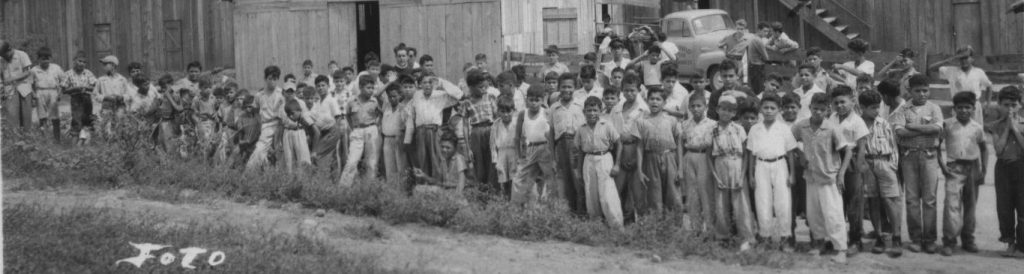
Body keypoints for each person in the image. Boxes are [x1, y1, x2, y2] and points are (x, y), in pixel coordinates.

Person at [794, 93, 850, 263]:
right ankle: (819, 244)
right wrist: (799, 153)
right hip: (811, 176)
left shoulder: (832, 127)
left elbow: (847, 150)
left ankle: (841, 248)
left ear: (827, 110)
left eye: (822, 109)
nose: (818, 112)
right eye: (815, 108)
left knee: (833, 214)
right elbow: (789, 141)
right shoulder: (801, 126)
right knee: (813, 214)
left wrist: (841, 174)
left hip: (829, 177)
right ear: (809, 107)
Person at [891, 75, 944, 254]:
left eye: (925, 90)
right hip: (909, 156)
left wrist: (912, 127)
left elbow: (936, 129)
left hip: (929, 155)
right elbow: (899, 132)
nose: (922, 94)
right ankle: (915, 238)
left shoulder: (934, 107)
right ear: (910, 91)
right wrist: (921, 130)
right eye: (918, 91)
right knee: (912, 199)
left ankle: (929, 239)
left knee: (929, 199)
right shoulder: (903, 108)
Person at [936, 91, 986, 256]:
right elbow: (937, 144)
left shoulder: (977, 127)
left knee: (970, 206)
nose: (964, 110)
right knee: (951, 205)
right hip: (954, 168)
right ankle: (949, 241)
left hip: (972, 167)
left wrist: (983, 169)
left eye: (967, 107)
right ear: (954, 108)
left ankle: (968, 239)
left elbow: (984, 148)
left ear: (973, 108)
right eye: (960, 107)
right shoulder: (947, 124)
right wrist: (942, 165)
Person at [746, 94, 798, 252]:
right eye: (766, 108)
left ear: (779, 110)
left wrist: (792, 174)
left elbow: (790, 152)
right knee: (762, 202)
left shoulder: (783, 128)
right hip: (761, 166)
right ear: (760, 109)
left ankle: (785, 238)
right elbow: (751, 154)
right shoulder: (755, 128)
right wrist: (750, 175)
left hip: (780, 165)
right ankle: (765, 237)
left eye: (772, 108)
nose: (768, 111)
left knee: (783, 202)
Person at [857, 90, 904, 258]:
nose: (876, 111)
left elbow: (893, 146)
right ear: (862, 107)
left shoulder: (883, 123)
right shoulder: (858, 123)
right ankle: (879, 236)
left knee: (891, 200)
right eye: (872, 108)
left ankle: (896, 237)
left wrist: (893, 166)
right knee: (873, 201)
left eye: (878, 107)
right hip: (867, 163)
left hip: (884, 162)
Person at [825, 86, 871, 255]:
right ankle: (839, 238)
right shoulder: (832, 117)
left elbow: (862, 146)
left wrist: (858, 169)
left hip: (852, 161)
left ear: (852, 101)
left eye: (843, 102)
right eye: (836, 103)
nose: (840, 106)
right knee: (838, 202)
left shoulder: (857, 121)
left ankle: (856, 239)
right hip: (835, 159)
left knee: (854, 202)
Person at [709, 95, 756, 251]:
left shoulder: (739, 129)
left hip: (737, 164)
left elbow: (747, 153)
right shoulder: (713, 129)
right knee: (721, 203)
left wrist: (742, 175)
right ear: (717, 110)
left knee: (741, 203)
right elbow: (709, 156)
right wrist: (716, 177)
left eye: (730, 110)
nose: (726, 113)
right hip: (720, 164)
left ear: (734, 113)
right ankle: (722, 237)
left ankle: (746, 238)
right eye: (723, 109)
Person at [984, 86, 1024, 258]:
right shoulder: (996, 126)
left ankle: (1022, 246)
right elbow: (999, 150)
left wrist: (1016, 128)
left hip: (1022, 168)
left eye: (1013, 105)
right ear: (998, 104)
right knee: (1005, 207)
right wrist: (1008, 127)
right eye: (1006, 104)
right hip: (1003, 168)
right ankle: (1010, 243)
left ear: (1020, 105)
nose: (1009, 109)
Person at [575, 96, 625, 230]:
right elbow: (580, 150)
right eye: (589, 110)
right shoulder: (581, 129)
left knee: (607, 194)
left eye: (595, 110)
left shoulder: (606, 125)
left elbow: (619, 143)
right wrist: (578, 170)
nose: (592, 113)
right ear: (584, 111)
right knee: (591, 194)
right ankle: (596, 225)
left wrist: (617, 164)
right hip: (588, 160)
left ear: (599, 111)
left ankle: (616, 226)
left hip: (604, 158)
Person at [406, 72, 464, 181]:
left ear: (434, 83)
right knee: (422, 159)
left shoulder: (440, 95)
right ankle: (423, 187)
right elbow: (411, 117)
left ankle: (439, 186)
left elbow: (459, 94)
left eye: (430, 82)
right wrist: (407, 139)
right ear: (420, 85)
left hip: (435, 131)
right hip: (420, 132)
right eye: (425, 82)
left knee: (437, 159)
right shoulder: (417, 95)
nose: (428, 85)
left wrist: (441, 82)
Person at [638, 87, 684, 215]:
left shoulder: (671, 120)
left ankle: (675, 231)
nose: (654, 102)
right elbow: (639, 146)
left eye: (658, 99)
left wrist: (680, 169)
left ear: (664, 102)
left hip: (669, 158)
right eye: (652, 99)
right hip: (651, 159)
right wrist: (640, 170)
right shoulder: (642, 121)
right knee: (654, 198)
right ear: (647, 101)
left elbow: (679, 143)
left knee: (674, 197)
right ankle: (657, 231)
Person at [511, 84, 557, 207]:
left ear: (542, 100)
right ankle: (516, 208)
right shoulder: (523, 114)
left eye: (537, 100)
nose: (534, 103)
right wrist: (518, 156)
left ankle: (553, 207)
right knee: (519, 178)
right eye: (531, 100)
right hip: (530, 149)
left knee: (550, 178)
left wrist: (553, 157)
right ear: (527, 100)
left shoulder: (546, 112)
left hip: (545, 148)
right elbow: (517, 137)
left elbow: (552, 134)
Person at [549, 73, 586, 214]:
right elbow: (551, 134)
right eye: (563, 87)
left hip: (576, 145)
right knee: (565, 181)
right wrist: (553, 157)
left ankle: (582, 212)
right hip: (561, 146)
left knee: (578, 178)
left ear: (575, 88)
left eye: (569, 87)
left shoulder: (580, 105)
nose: (566, 90)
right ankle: (571, 213)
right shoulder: (554, 108)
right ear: (559, 88)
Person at [679, 92, 714, 231]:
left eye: (699, 106)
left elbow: (711, 145)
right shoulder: (685, 124)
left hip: (704, 157)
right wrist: (681, 165)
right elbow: (681, 144)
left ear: (705, 107)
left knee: (705, 192)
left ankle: (710, 228)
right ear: (689, 107)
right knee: (692, 194)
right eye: (692, 106)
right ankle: (696, 228)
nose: (695, 109)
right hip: (689, 156)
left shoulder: (712, 124)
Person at [929, 46, 992, 122]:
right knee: (958, 131)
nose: (963, 61)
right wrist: (947, 61)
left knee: (975, 130)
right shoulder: (951, 71)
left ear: (972, 58)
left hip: (974, 106)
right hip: (958, 106)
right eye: (961, 58)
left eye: (966, 58)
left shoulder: (978, 72)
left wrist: (988, 106)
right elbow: (931, 68)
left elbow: (989, 86)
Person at [339, 75, 382, 186]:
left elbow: (380, 114)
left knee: (371, 162)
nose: (371, 90)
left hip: (371, 131)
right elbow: (348, 115)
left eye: (372, 88)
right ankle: (344, 187)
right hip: (357, 131)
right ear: (360, 87)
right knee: (352, 161)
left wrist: (375, 126)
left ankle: (369, 188)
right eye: (368, 88)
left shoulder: (374, 101)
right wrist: (354, 128)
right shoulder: (352, 101)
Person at [245, 66, 286, 172]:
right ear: (265, 78)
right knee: (259, 150)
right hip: (265, 126)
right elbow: (255, 110)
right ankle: (250, 174)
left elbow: (284, 114)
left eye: (275, 79)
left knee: (279, 150)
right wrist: (258, 124)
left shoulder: (281, 94)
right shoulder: (259, 95)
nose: (272, 81)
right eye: (270, 78)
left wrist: (280, 129)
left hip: (279, 125)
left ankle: (280, 175)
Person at [463, 71, 498, 191]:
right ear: (471, 88)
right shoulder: (467, 102)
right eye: (480, 87)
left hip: (490, 130)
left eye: (485, 86)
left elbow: (497, 117)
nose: (484, 89)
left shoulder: (490, 98)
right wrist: (468, 148)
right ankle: (481, 191)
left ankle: (492, 190)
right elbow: (465, 126)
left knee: (492, 161)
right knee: (479, 163)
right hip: (476, 133)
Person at [411, 132, 468, 200]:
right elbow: (438, 181)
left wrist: (456, 196)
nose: (444, 150)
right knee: (417, 189)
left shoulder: (459, 159)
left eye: (448, 147)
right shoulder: (443, 161)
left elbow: (461, 184)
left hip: (455, 193)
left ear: (455, 148)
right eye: (442, 147)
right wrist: (424, 175)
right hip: (444, 191)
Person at [30, 47, 65, 140]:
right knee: (42, 117)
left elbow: (63, 81)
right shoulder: (34, 70)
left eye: (47, 58)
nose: (45, 61)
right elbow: (30, 84)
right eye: (43, 58)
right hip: (40, 92)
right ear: (38, 59)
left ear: (51, 59)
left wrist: (60, 93)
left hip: (53, 91)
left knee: (55, 116)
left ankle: (57, 139)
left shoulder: (56, 68)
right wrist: (34, 95)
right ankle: (45, 139)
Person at [63, 52, 97, 144]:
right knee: (76, 119)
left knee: (87, 119)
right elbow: (64, 90)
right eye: (79, 61)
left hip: (86, 97)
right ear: (74, 61)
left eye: (84, 62)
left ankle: (85, 142)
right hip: (76, 98)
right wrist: (74, 89)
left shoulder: (88, 73)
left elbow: (94, 87)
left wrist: (86, 88)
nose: (82, 64)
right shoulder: (68, 74)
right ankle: (74, 142)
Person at [380, 82, 410, 186]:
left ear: (400, 96)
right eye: (390, 96)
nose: (392, 99)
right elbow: (377, 95)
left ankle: (403, 189)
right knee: (389, 166)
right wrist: (390, 82)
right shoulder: (386, 107)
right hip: (387, 139)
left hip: (399, 138)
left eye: (394, 96)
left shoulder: (404, 108)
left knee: (401, 166)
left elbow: (407, 126)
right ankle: (392, 191)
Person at [95, 55, 131, 138]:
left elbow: (128, 94)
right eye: (103, 64)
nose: (103, 67)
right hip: (107, 106)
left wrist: (122, 97)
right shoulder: (101, 80)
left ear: (113, 65)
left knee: (119, 124)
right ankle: (108, 145)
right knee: (107, 125)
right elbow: (95, 95)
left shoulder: (122, 79)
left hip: (120, 106)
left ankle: (119, 144)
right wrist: (105, 97)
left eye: (105, 64)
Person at [281, 86, 315, 174]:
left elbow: (307, 121)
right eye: (287, 91)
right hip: (287, 132)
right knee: (289, 160)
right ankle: (291, 181)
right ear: (284, 92)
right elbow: (280, 124)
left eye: (291, 91)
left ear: (294, 92)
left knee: (303, 158)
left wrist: (308, 135)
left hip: (299, 131)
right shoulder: (282, 105)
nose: (289, 94)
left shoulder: (301, 103)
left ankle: (305, 181)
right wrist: (278, 140)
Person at [2, 41, 35, 130]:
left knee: (26, 117)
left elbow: (28, 72)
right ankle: (15, 140)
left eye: (5, 54)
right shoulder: (1, 59)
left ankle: (28, 139)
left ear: (10, 49)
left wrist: (13, 79)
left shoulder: (22, 55)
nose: (4, 57)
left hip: (24, 89)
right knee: (12, 117)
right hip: (10, 91)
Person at [491, 95, 518, 199]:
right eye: (502, 112)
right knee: (504, 178)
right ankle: (506, 197)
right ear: (498, 112)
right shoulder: (496, 125)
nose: (506, 114)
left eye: (508, 111)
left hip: (514, 152)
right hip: (502, 153)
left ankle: (514, 199)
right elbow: (492, 144)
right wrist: (494, 159)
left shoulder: (517, 123)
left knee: (514, 177)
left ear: (514, 111)